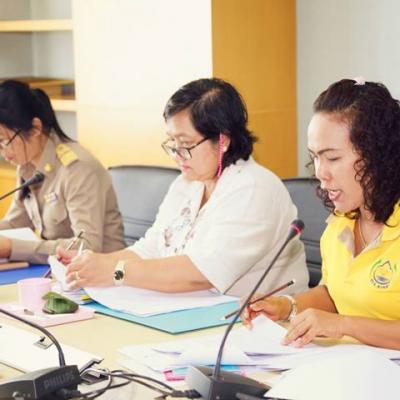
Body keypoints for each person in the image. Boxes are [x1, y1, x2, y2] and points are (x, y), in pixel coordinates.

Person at [60, 78, 309, 296]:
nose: (177, 155)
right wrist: (93, 263)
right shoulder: (188, 183)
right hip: (193, 315)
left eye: (186, 144)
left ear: (222, 140)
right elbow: (153, 247)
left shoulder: (254, 189)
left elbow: (201, 274)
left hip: (254, 323)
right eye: (172, 142)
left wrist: (116, 272)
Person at [242, 78, 400, 350]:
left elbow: (341, 318)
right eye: (315, 157)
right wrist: (286, 306)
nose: (319, 172)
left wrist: (343, 325)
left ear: (378, 155)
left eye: (333, 158)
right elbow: (336, 294)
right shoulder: (342, 222)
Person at [0, 80, 125, 264]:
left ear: (35, 129)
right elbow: (15, 223)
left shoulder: (78, 168)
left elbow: (86, 246)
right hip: (60, 270)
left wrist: (13, 248)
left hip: (103, 272)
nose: (3, 153)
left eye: (3, 141)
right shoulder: (27, 165)